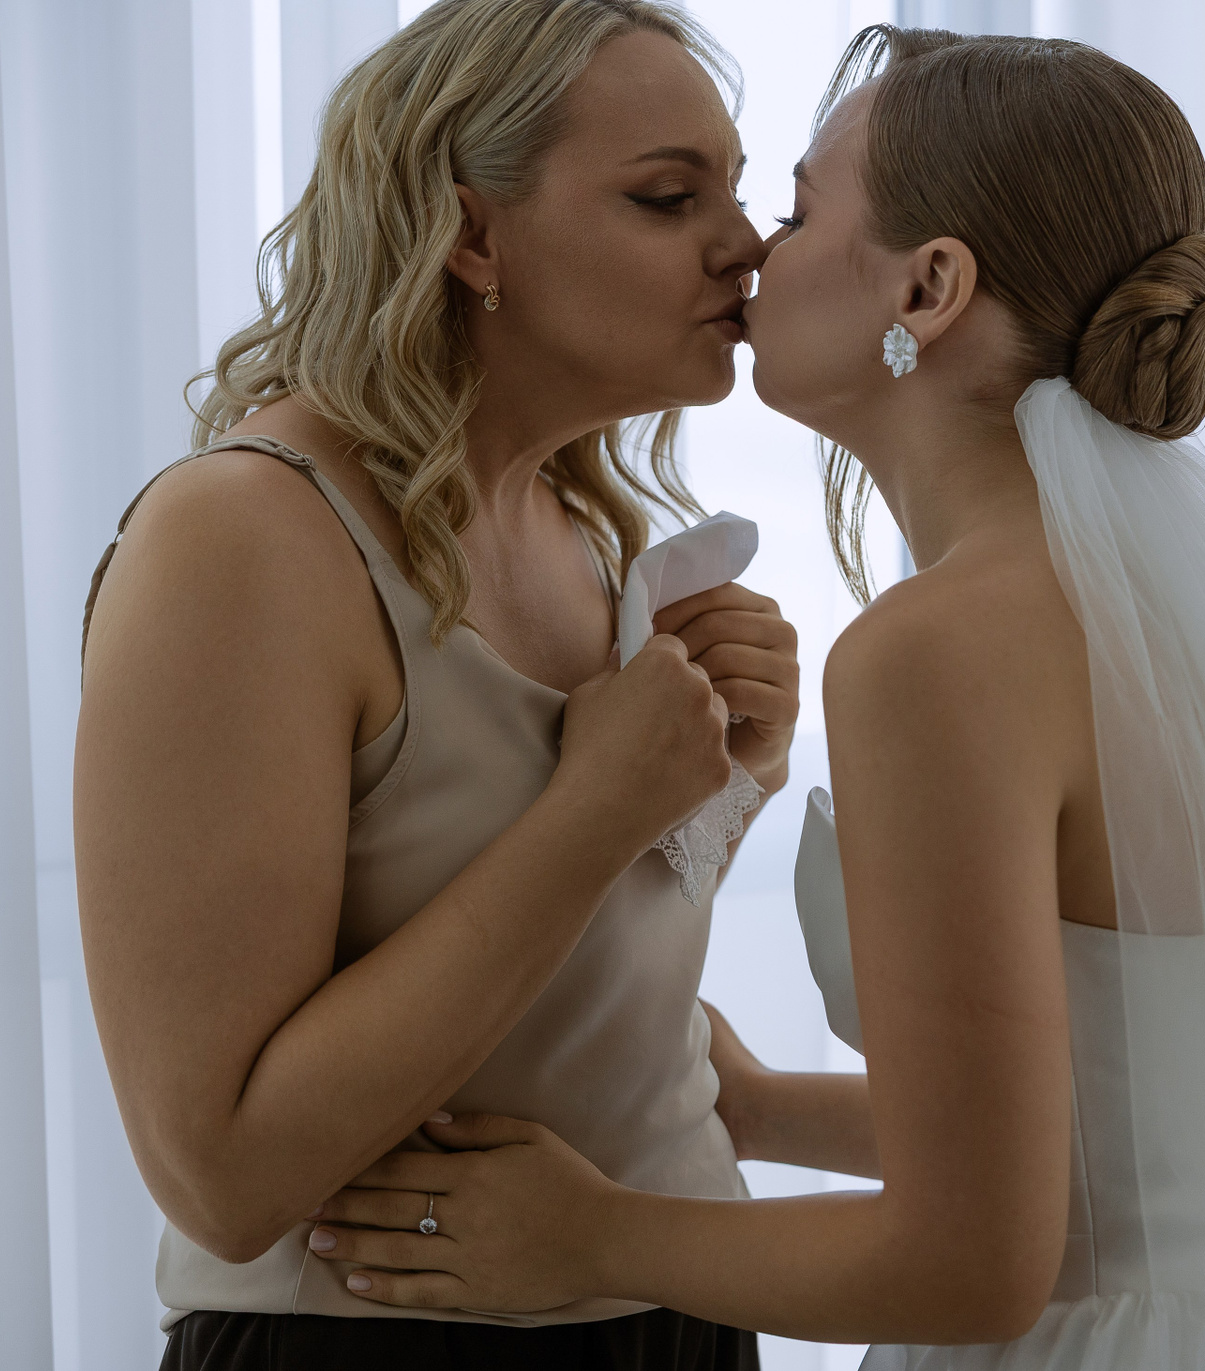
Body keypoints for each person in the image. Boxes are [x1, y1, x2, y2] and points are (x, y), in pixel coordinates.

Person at [306, 25, 1205, 1371]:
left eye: (796, 213)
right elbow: (1133, 1127)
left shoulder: (940, 653)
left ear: (928, 291)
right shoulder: (1148, 615)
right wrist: (760, 1111)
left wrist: (589, 1234)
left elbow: (974, 1263)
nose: (750, 252)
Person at [73, 2, 798, 1366]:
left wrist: (719, 785)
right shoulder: (243, 540)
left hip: (683, 1327)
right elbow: (222, 1176)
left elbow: (567, 1004)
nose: (747, 245)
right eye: (668, 197)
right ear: (471, 237)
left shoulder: (590, 535)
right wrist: (598, 807)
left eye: (740, 190)